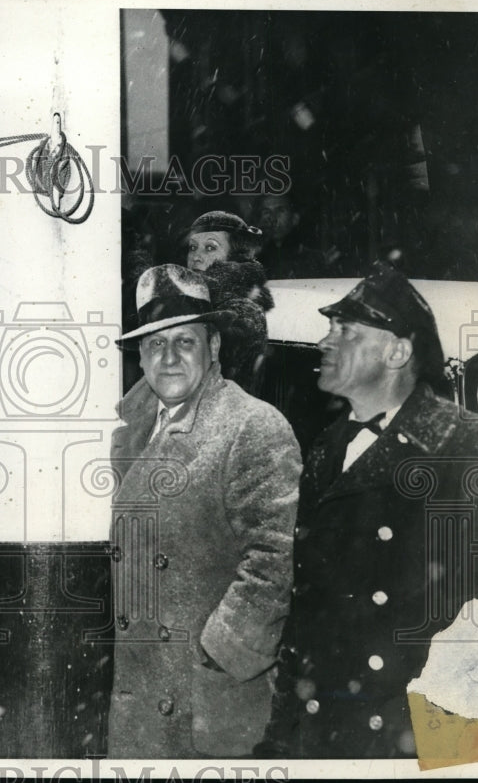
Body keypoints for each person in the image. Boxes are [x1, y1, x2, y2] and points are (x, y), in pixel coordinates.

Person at [258, 262, 478, 758]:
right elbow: (306, 609)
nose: (324, 343)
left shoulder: (472, 451)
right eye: (329, 328)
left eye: (347, 331)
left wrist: (454, 758)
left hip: (409, 737)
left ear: (398, 352)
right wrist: (282, 738)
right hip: (329, 728)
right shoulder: (327, 448)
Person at [107, 264, 302, 758]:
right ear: (140, 355)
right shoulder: (133, 425)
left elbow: (272, 566)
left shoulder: (251, 426)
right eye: (154, 344)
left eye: (184, 342)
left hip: (204, 705)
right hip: (141, 690)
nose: (168, 358)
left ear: (214, 346)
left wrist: (217, 655)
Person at [183, 211, 274, 394]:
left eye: (210, 248)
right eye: (192, 247)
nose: (196, 257)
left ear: (235, 255)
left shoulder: (243, 310)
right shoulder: (192, 301)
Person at [254, 193, 331, 279]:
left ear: (295, 218)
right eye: (266, 212)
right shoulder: (254, 259)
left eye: (280, 210)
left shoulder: (315, 258)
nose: (272, 218)